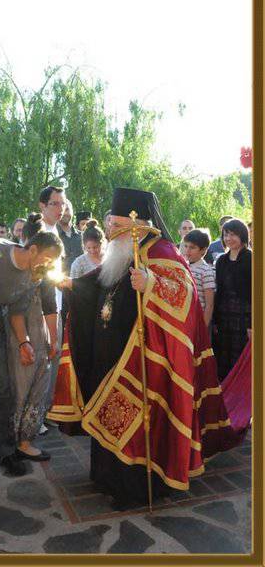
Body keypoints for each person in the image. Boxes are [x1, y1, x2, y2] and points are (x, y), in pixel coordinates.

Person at [52, 187, 235, 506]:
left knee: (137, 422)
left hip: (143, 357)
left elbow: (186, 295)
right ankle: (107, 477)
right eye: (110, 224)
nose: (110, 230)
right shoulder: (121, 249)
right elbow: (101, 279)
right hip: (109, 352)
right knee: (107, 411)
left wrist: (151, 283)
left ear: (134, 223)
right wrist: (73, 284)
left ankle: (134, 487)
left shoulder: (162, 250)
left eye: (115, 224)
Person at [0, 216, 63, 475]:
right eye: (47, 259)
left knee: (2, 387)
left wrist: (24, 342)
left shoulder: (34, 277)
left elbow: (16, 312)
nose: (48, 265)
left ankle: (3, 452)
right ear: (32, 249)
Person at [10, 213, 62, 461]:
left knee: (37, 389)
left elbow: (50, 305)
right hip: (20, 336)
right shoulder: (17, 269)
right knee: (20, 388)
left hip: (38, 333)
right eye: (48, 257)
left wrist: (53, 339)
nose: (49, 263)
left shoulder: (45, 271)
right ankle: (14, 442)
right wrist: (24, 342)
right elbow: (14, 310)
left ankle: (25, 439)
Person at [39, 186, 66, 425]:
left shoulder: (55, 229)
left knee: (53, 358)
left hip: (56, 304)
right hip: (41, 309)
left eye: (63, 203)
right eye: (55, 203)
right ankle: (37, 416)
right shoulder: (39, 232)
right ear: (42, 206)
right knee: (43, 359)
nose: (60, 208)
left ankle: (47, 411)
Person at [212, 218, 252, 381]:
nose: (228, 238)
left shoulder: (252, 259)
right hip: (224, 316)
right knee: (223, 355)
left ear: (242, 235)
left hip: (244, 316)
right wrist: (215, 320)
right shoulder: (221, 260)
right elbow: (219, 291)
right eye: (226, 234)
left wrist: (252, 324)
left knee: (241, 356)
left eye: (233, 234)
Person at [183, 229, 215, 327]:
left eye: (192, 247)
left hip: (198, 321)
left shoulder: (206, 271)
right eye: (186, 246)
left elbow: (209, 304)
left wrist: (203, 327)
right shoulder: (183, 266)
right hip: (184, 319)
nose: (187, 250)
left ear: (203, 250)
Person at [57, 200, 83, 275]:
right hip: (59, 281)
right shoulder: (52, 237)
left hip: (81, 281)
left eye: (67, 209)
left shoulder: (83, 236)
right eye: (62, 210)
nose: (65, 213)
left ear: (72, 211)